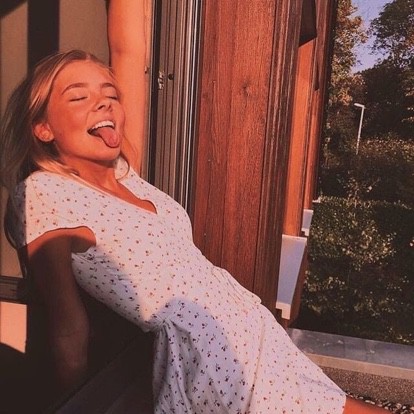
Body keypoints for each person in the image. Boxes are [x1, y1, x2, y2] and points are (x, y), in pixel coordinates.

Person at [0, 1, 388, 413]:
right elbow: (68, 328)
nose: (103, 102)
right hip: (211, 358)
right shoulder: (46, 193)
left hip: (249, 330)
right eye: (78, 97)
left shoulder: (125, 172)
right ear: (43, 128)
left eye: (110, 94)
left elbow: (130, 53)